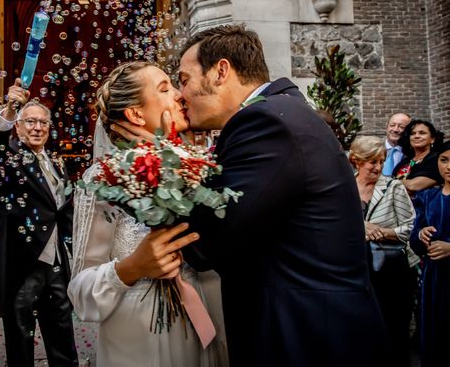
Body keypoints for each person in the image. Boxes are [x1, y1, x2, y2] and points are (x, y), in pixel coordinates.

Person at [175, 24, 387, 366]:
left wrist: (156, 165)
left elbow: (207, 242)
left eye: (184, 80)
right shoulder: (283, 112)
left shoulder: (266, 123)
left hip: (305, 337)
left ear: (221, 71)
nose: (179, 95)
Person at [68, 61, 228, 367]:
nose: (181, 95)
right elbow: (80, 293)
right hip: (140, 340)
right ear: (136, 114)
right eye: (165, 88)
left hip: (202, 326)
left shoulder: (194, 168)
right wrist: (132, 267)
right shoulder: (105, 179)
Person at [0, 81, 78, 367]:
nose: (37, 127)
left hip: (57, 265)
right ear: (18, 127)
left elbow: (64, 212)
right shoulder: (9, 160)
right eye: (30, 122)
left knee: (62, 334)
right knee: (20, 340)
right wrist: (11, 107)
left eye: (43, 122)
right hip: (22, 265)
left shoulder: (57, 163)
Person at [349, 136, 417, 367]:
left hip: (392, 270)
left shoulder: (393, 187)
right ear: (356, 161)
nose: (378, 167)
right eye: (372, 162)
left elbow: (410, 226)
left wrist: (382, 232)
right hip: (357, 269)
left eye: (381, 161)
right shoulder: (344, 188)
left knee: (394, 328)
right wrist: (361, 228)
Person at [409, 140, 450, 367]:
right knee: (435, 332)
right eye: (444, 160)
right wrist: (421, 234)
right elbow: (414, 237)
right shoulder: (427, 197)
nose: (449, 166)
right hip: (434, 278)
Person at [393, 119, 444, 194]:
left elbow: (414, 186)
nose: (416, 136)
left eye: (422, 133)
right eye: (413, 133)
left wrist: (392, 182)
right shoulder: (406, 161)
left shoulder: (437, 159)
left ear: (432, 139)